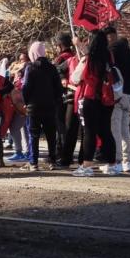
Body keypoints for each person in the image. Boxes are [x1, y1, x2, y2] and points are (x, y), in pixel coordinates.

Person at [71, 32, 118, 176]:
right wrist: (79, 45)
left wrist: (79, 47)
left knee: (89, 132)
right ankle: (111, 165)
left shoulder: (88, 59)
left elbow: (75, 78)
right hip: (107, 99)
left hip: (90, 98)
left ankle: (87, 166)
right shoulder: (109, 58)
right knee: (106, 132)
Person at [104, 26, 130, 173]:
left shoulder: (110, 54)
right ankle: (127, 161)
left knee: (115, 130)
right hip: (128, 96)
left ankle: (117, 161)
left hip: (114, 96)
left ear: (109, 37)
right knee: (125, 130)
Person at [22, 41, 63, 171]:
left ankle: (33, 162)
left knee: (33, 135)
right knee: (51, 135)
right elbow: (59, 88)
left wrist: (26, 102)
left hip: (33, 108)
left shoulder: (30, 68)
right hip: (50, 107)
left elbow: (26, 87)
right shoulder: (52, 68)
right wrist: (55, 101)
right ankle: (52, 161)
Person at [53, 33, 79, 168]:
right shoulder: (75, 57)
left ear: (60, 45)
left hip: (65, 96)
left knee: (63, 128)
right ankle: (65, 155)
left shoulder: (63, 58)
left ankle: (62, 155)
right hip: (74, 95)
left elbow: (55, 73)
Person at [6, 56, 30, 162]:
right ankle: (26, 151)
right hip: (18, 104)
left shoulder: (28, 71)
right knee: (23, 128)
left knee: (15, 128)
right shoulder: (17, 76)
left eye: (23, 59)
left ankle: (20, 152)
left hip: (23, 104)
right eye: (20, 59)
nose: (21, 61)